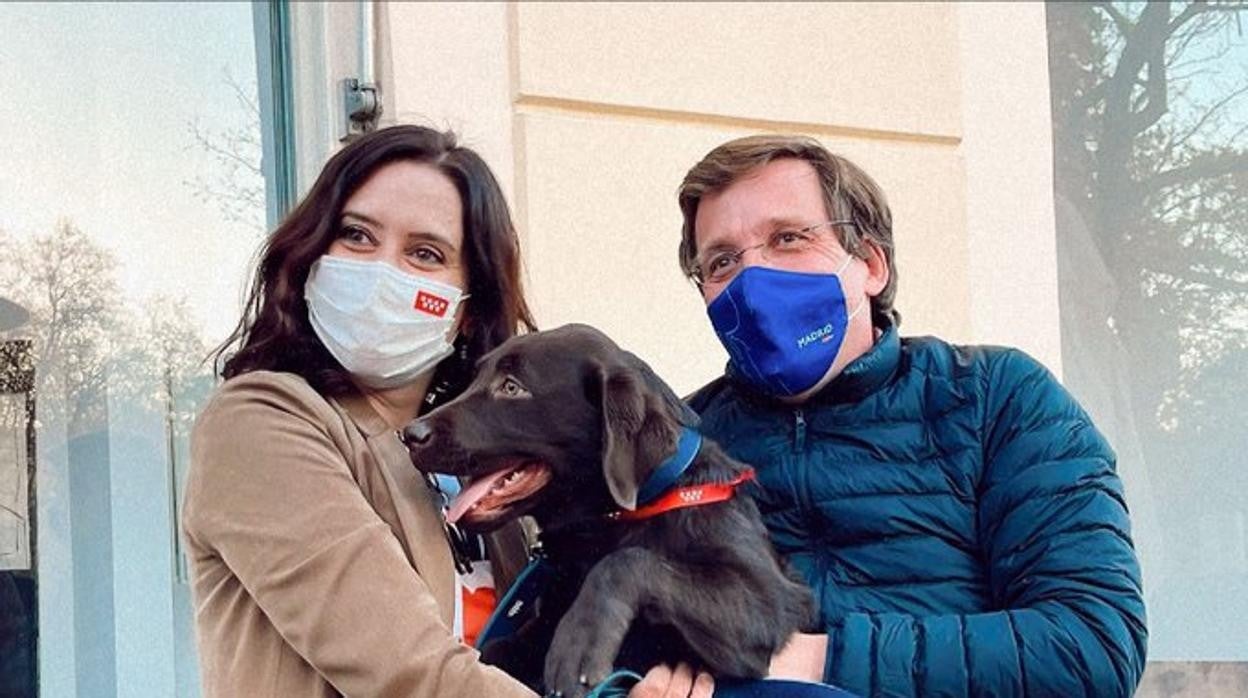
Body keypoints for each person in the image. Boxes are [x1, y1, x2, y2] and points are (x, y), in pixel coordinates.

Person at [675, 135, 1148, 697]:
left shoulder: (996, 399)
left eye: (789, 238)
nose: (753, 283)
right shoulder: (683, 442)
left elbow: (1090, 643)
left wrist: (819, 659)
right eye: (723, 261)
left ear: (870, 264)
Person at [181, 125, 540, 697]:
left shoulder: (478, 463)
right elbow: (408, 672)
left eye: (425, 253)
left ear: (468, 308)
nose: (382, 272)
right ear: (313, 255)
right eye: (356, 236)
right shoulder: (258, 424)